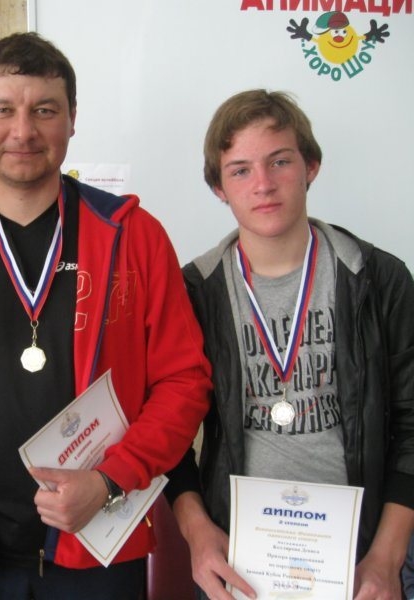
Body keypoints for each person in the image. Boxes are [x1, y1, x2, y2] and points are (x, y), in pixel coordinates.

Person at [0, 31, 212, 600]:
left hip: (99, 548)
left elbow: (184, 381)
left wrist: (110, 479)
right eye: (2, 110)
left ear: (72, 119)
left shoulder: (133, 236)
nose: (23, 131)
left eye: (45, 110)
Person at [164, 89, 414, 600]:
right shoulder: (193, 292)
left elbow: (413, 426)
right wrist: (197, 533)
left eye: (279, 161)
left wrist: (386, 559)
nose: (263, 184)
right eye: (240, 170)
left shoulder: (379, 279)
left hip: (362, 556)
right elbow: (166, 431)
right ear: (218, 187)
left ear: (310, 166)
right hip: (238, 556)